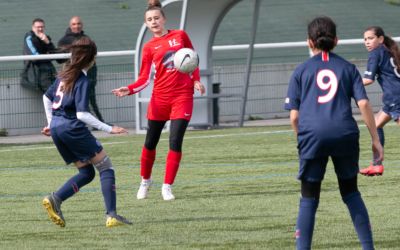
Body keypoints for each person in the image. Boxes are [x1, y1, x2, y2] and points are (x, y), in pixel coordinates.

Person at [284, 16, 383, 250]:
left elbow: (294, 117)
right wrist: (375, 140)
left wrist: (302, 138)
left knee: (308, 198)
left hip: (312, 136)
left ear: (309, 42)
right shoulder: (348, 68)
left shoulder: (300, 71)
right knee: (350, 192)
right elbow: (364, 105)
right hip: (344, 134)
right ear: (336, 40)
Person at [112, 0, 205, 201]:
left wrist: (196, 80)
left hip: (182, 96)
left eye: (156, 18)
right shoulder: (148, 47)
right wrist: (128, 89)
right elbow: (144, 78)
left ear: (164, 19)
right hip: (160, 100)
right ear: (146, 23)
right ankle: (145, 181)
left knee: (175, 141)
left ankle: (167, 186)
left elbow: (193, 59)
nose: (154, 22)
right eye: (149, 20)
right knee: (150, 143)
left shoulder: (180, 36)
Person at [41, 36, 132, 228]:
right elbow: (82, 114)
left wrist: (51, 123)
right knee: (106, 167)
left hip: (58, 129)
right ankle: (112, 215)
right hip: (72, 128)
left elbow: (46, 98)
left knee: (86, 172)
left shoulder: (63, 76)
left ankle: (55, 199)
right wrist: (110, 128)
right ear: (92, 59)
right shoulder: (82, 79)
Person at [359, 26, 400, 176]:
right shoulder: (389, 50)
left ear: (380, 39)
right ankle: (376, 165)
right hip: (392, 98)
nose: (367, 42)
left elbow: (368, 79)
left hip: (396, 97)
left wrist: (349, 82)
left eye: (370, 38)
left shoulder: (376, 53)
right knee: (375, 127)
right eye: (365, 39)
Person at [58, 16, 105, 123]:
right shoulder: (64, 40)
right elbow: (59, 59)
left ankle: (98, 121)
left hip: (87, 75)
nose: (77, 26)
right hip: (72, 76)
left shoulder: (86, 39)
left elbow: (92, 58)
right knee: (71, 98)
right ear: (70, 26)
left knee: (90, 99)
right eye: (74, 24)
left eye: (78, 24)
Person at [21, 18, 57, 93]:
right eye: (38, 27)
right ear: (33, 28)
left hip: (50, 70)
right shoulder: (29, 38)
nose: (40, 29)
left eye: (42, 27)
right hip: (37, 72)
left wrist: (47, 42)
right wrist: (48, 57)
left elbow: (54, 54)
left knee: (56, 91)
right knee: (51, 93)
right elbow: (35, 57)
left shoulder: (45, 38)